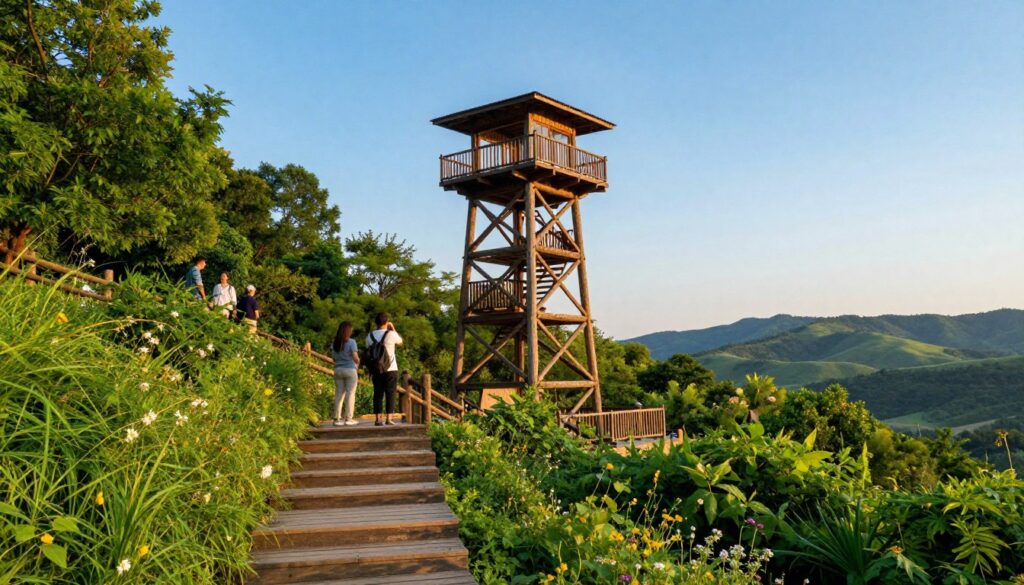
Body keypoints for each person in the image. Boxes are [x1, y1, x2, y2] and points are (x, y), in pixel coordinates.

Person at [366, 312, 403, 426]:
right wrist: (392, 328)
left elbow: (368, 350)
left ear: (376, 323)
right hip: (391, 368)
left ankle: (378, 419)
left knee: (378, 393)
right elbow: (401, 342)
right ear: (387, 322)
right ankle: (389, 418)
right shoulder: (391, 334)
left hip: (376, 368)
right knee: (390, 393)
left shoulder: (370, 336)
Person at [331, 321, 360, 426]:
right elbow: (355, 358)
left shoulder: (335, 342)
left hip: (338, 370)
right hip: (350, 370)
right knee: (350, 394)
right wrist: (358, 363)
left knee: (339, 394)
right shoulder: (352, 342)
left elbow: (333, 358)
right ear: (348, 331)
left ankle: (336, 419)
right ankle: (348, 418)